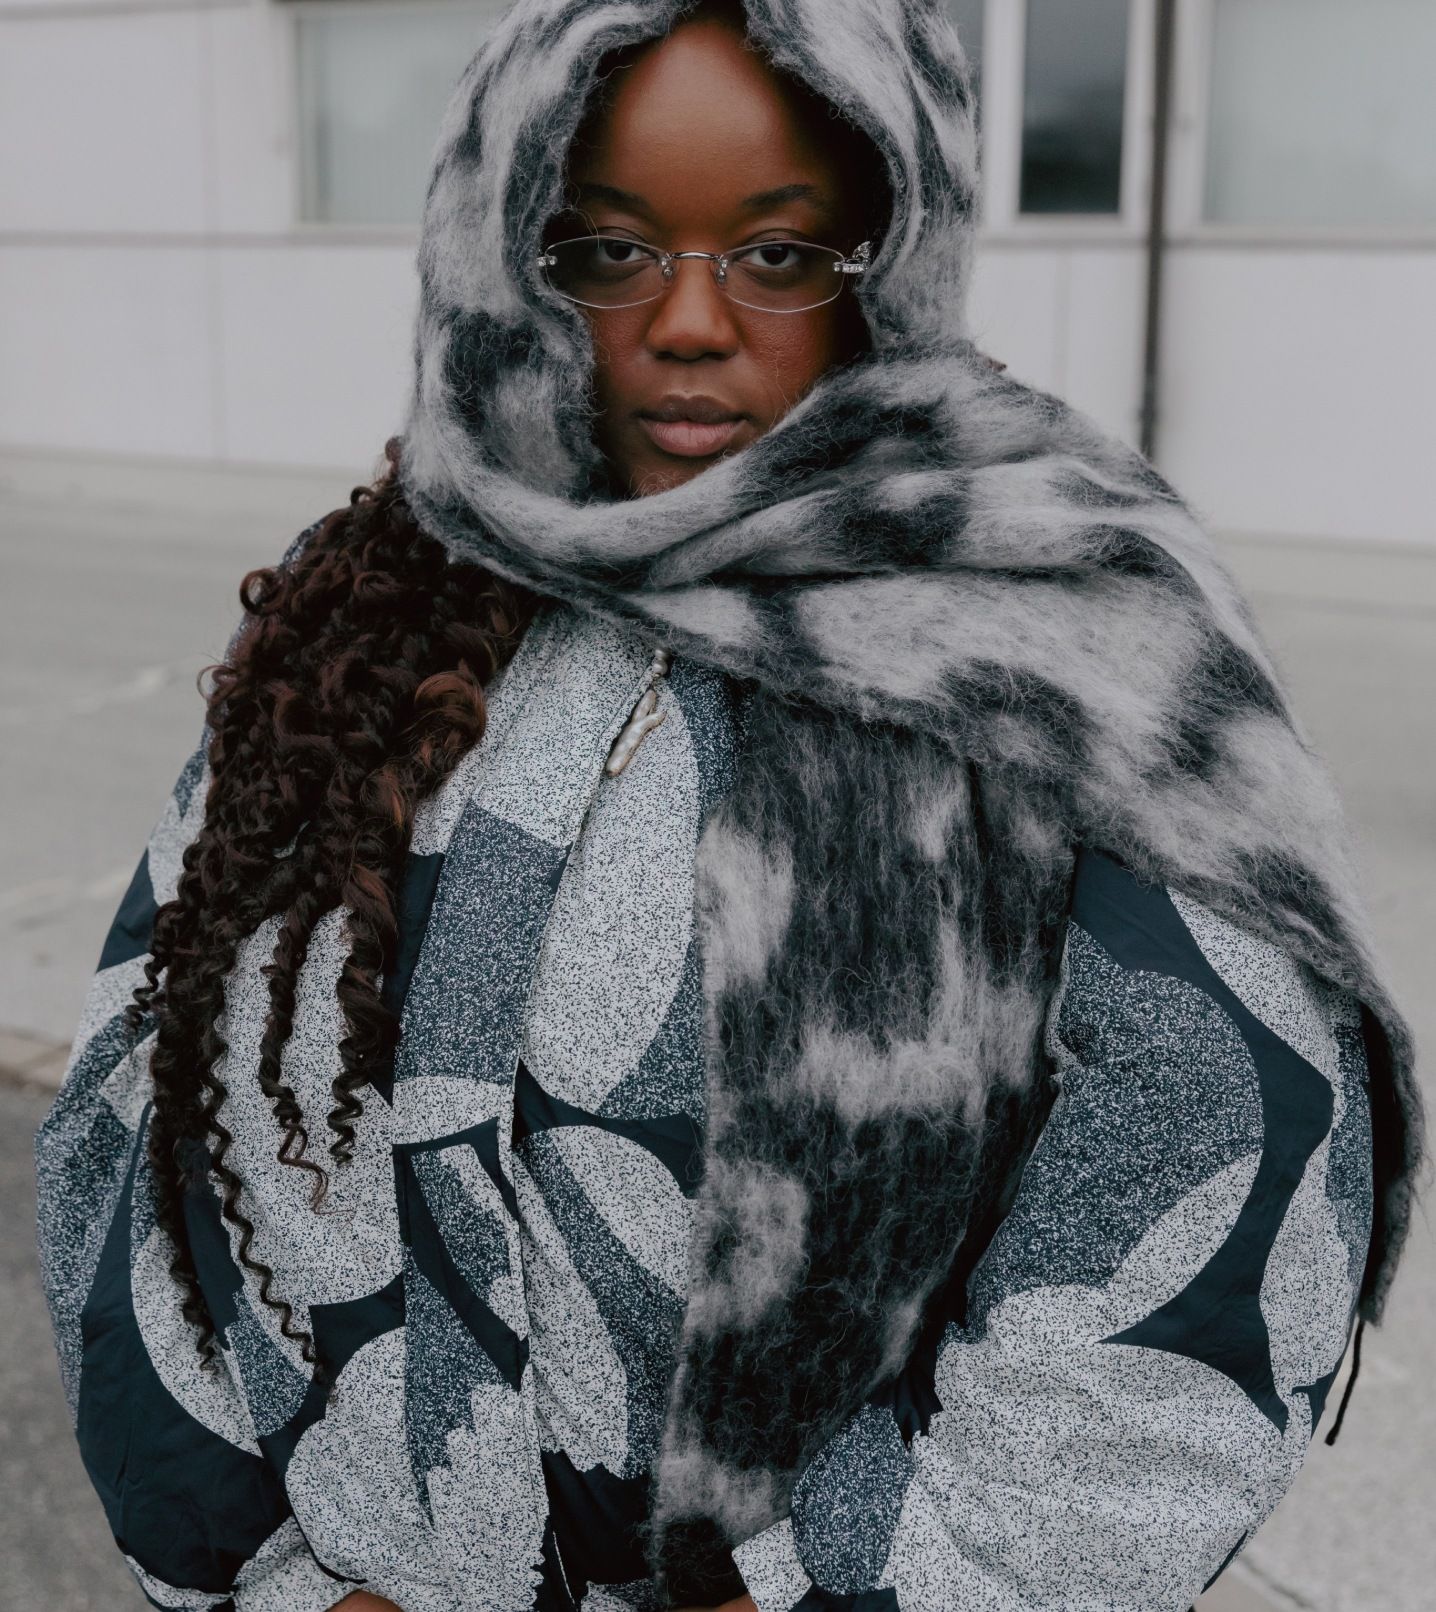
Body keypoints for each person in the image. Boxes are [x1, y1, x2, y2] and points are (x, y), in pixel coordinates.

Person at [34, 3, 1423, 1611]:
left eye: (777, 256)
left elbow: (1201, 1192)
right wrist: (279, 1577)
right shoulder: (374, 616)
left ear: (889, 256)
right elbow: (132, 1112)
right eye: (606, 253)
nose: (689, 322)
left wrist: (840, 1594)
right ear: (500, 254)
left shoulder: (1073, 622)